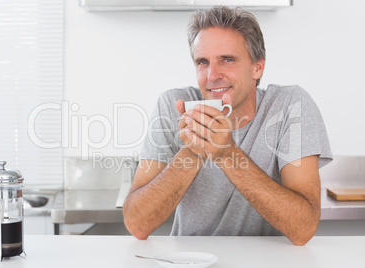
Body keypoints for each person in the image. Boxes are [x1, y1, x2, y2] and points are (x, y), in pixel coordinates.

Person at [122, 6, 332, 245]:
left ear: (257, 67)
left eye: (227, 60)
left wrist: (227, 154)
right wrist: (193, 150)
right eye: (202, 62)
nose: (212, 75)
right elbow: (137, 224)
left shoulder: (289, 106)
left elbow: (303, 228)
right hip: (191, 261)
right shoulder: (172, 106)